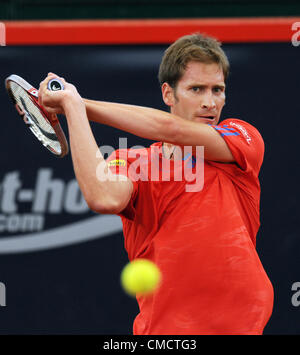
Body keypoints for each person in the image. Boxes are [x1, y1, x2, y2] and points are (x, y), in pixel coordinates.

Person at [38, 33, 274, 335]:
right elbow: (105, 198)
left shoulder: (241, 139)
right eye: (196, 89)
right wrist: (72, 109)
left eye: (218, 90)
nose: (209, 102)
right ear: (168, 94)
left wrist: (77, 102)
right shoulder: (132, 162)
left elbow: (170, 128)